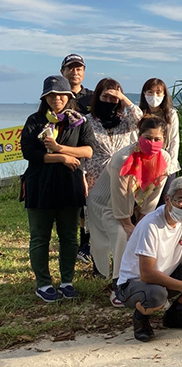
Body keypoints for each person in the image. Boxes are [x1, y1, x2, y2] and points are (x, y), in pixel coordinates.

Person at [116, 177, 182, 342]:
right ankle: (140, 319)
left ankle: (175, 314)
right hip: (134, 282)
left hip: (167, 274)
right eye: (181, 201)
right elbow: (147, 274)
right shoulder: (151, 225)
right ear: (168, 199)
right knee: (156, 295)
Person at [20, 75, 94, 302]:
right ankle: (43, 284)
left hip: (69, 187)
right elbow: (29, 153)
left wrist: (59, 148)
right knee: (40, 237)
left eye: (61, 94)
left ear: (69, 96)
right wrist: (61, 158)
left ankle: (66, 281)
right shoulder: (35, 121)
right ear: (45, 98)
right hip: (39, 186)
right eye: (51, 95)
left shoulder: (80, 121)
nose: (57, 99)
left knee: (70, 237)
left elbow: (88, 151)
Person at [87, 117, 172, 307]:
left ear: (164, 140)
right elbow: (120, 195)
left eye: (158, 139)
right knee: (121, 236)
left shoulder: (164, 158)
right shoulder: (122, 159)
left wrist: (143, 222)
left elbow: (154, 194)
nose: (152, 143)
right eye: (148, 138)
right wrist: (128, 224)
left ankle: (147, 280)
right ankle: (119, 285)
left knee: (149, 235)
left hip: (135, 204)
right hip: (106, 203)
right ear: (138, 137)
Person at [80, 77, 142, 269]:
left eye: (113, 97)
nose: (109, 101)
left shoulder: (125, 122)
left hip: (123, 178)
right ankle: (99, 264)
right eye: (104, 96)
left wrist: (122, 97)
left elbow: (140, 119)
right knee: (98, 223)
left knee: (122, 220)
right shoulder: (86, 121)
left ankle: (121, 264)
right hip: (95, 177)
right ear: (96, 97)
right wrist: (81, 177)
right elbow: (82, 149)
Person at [59, 53, 94, 264]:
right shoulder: (57, 96)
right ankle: (69, 243)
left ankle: (86, 244)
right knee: (69, 204)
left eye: (79, 68)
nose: (75, 72)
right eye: (71, 68)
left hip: (89, 156)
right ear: (62, 71)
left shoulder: (92, 97)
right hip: (64, 156)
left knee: (87, 202)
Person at [139, 78, 180, 204]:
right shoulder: (139, 114)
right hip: (142, 163)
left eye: (158, 92)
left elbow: (174, 140)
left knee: (163, 201)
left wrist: (170, 165)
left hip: (165, 162)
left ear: (164, 95)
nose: (154, 96)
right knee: (143, 201)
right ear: (144, 93)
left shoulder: (171, 114)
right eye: (150, 92)